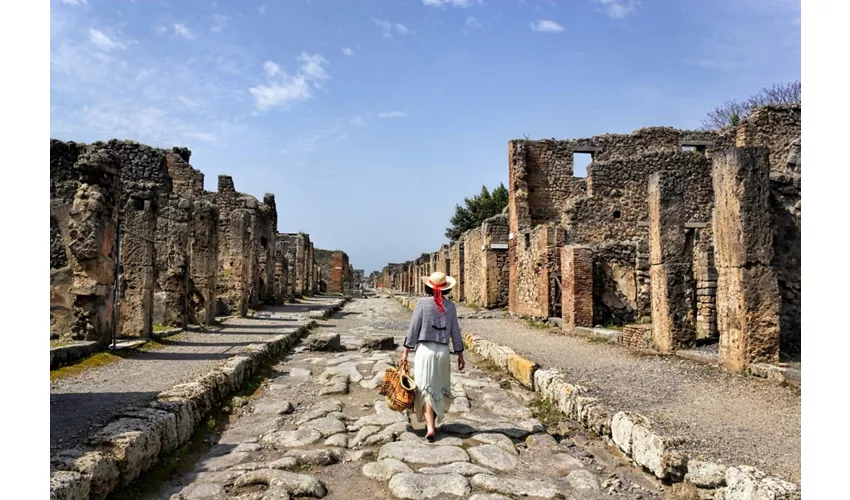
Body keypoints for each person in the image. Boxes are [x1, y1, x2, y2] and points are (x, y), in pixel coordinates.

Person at [400, 271, 465, 442]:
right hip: (443, 351)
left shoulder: (421, 303)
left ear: (428, 287)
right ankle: (433, 424)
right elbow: (455, 332)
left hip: (425, 351)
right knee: (437, 388)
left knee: (425, 388)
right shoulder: (450, 307)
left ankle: (429, 427)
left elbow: (413, 328)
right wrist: (460, 353)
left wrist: (406, 350)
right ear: (445, 289)